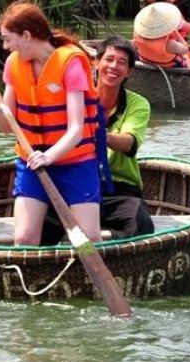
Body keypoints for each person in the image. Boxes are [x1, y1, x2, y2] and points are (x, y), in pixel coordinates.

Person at [0, 0, 102, 246]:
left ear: (26, 35)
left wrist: (49, 156)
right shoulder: (14, 65)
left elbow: (77, 129)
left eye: (7, 39)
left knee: (89, 239)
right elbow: (6, 125)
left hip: (75, 162)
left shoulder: (71, 63)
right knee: (24, 238)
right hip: (31, 162)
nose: (5, 46)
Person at [39, 36, 154, 244]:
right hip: (75, 183)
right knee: (40, 225)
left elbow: (129, 143)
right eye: (109, 59)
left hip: (118, 189)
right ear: (96, 63)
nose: (113, 66)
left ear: (129, 71)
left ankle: (112, 266)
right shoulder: (75, 96)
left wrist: (97, 133)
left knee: (141, 224)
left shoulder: (138, 104)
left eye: (122, 62)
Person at [132, 2, 190, 69]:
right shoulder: (169, 44)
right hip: (170, 66)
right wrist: (175, 32)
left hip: (148, 62)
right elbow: (184, 49)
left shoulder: (137, 39)